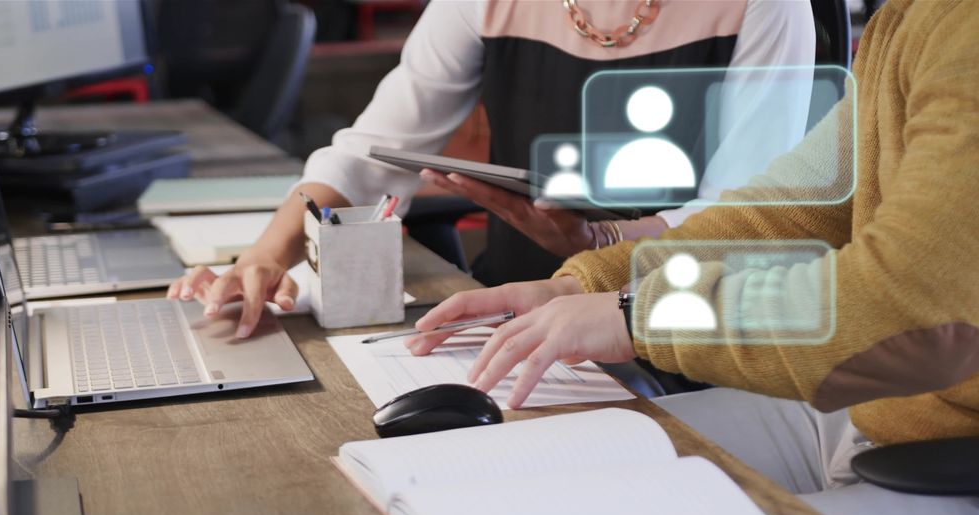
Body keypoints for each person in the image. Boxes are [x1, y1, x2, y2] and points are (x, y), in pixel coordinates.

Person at [408, 0, 979, 515]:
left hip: (952, 453)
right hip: (880, 412)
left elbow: (906, 310)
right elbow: (791, 212)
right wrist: (587, 285)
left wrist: (639, 315)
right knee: (541, 475)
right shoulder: (918, 13)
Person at [168, 0, 815, 339]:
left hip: (669, 315)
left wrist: (605, 242)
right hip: (506, 308)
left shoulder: (765, 5)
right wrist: (266, 254)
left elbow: (746, 212)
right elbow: (369, 151)